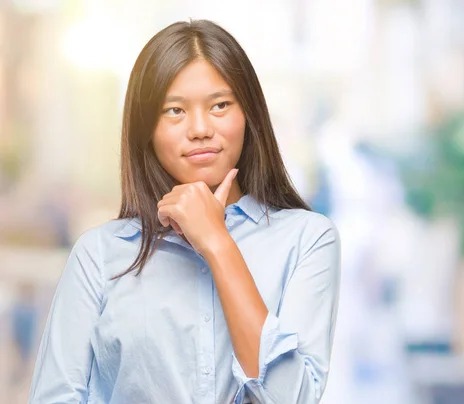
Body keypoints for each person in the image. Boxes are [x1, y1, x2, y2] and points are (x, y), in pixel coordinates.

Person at [28, 19, 341, 404]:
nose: (199, 128)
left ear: (250, 115)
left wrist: (217, 243)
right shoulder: (99, 255)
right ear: (148, 130)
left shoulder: (307, 239)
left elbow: (293, 398)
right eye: (174, 111)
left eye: (220, 105)